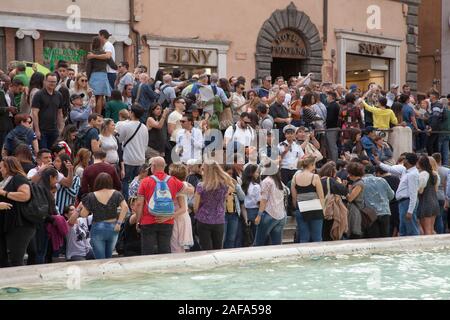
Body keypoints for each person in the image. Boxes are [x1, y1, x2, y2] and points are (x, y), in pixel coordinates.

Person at [135, 157, 188, 255]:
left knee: (148, 251)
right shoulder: (173, 180)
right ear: (164, 167)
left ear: (153, 166)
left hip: (148, 220)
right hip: (167, 220)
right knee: (165, 250)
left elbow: (139, 204)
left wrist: (138, 221)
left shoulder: (145, 181)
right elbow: (189, 191)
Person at [80, 173, 129, 259]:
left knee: (100, 259)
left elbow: (83, 215)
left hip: (97, 228)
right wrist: (119, 223)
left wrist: (82, 206)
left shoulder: (91, 196)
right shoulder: (116, 194)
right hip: (113, 227)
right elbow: (125, 207)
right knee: (108, 256)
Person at [193, 160, 235, 251]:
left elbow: (195, 206)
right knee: (218, 249)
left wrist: (199, 213)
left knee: (206, 249)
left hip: (203, 219)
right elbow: (233, 186)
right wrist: (224, 195)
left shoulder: (201, 186)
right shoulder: (224, 186)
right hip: (219, 220)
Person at [0, 157, 33, 267]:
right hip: (8, 225)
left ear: (8, 167)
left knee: (16, 259)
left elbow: (25, 195)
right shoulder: (5, 181)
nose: (0, 170)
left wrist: (5, 193)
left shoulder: (18, 178)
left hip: (19, 225)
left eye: (1, 167)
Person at [377, 153, 420, 236]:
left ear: (407, 161)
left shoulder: (413, 174)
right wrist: (378, 162)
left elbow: (413, 194)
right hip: (403, 202)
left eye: (405, 159)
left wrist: (410, 211)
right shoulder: (405, 170)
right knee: (403, 228)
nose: (403, 161)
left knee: (411, 228)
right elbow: (389, 169)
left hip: (407, 202)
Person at [116, 104, 149, 201]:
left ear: (132, 113)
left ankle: (127, 202)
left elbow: (120, 139)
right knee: (138, 181)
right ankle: (138, 201)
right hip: (140, 158)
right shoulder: (144, 127)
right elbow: (146, 144)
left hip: (128, 158)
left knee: (125, 181)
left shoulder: (126, 125)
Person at [291, 156, 325, 243]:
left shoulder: (295, 177)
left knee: (303, 238)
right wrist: (323, 210)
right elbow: (321, 196)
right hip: (315, 209)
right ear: (311, 164)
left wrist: (297, 207)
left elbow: (294, 197)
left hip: (301, 208)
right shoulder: (315, 177)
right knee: (317, 238)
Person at [254, 159, 287, 246]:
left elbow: (263, 200)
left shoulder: (266, 181)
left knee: (258, 243)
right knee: (277, 245)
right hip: (281, 215)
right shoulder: (279, 181)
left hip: (269, 214)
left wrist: (259, 215)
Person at [31, 73, 64, 149]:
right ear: (45, 81)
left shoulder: (59, 95)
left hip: (54, 130)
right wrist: (37, 130)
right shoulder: (38, 95)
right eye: (50, 81)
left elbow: (60, 113)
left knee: (54, 151)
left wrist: (61, 128)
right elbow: (34, 113)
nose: (52, 83)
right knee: (44, 151)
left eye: (54, 82)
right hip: (42, 130)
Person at [362, 165, 395, 238]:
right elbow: (391, 196)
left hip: (370, 214)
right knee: (385, 237)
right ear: (374, 173)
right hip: (384, 212)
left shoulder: (361, 182)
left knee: (373, 238)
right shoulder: (382, 180)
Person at [319, 162, 348, 241]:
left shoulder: (318, 179)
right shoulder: (330, 180)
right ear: (331, 172)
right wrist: (341, 183)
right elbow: (344, 191)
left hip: (320, 208)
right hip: (330, 210)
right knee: (330, 231)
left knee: (323, 232)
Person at [86, 36, 116, 114]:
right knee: (100, 96)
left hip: (93, 75)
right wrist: (118, 67)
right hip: (103, 75)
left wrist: (87, 78)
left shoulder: (91, 54)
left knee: (93, 96)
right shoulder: (105, 54)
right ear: (101, 44)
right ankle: (98, 115)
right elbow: (113, 65)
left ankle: (93, 114)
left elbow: (88, 68)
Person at [169, 164, 194, 253]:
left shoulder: (179, 186)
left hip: (178, 217)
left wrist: (169, 216)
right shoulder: (184, 184)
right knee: (180, 246)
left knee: (176, 246)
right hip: (182, 217)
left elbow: (182, 208)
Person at [417, 155, 440, 235]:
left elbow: (420, 190)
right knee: (431, 228)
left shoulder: (423, 174)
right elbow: (436, 189)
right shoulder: (435, 174)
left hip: (425, 202)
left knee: (426, 229)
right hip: (434, 201)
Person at [375, 165, 401, 237]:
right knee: (397, 223)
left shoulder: (380, 181)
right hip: (397, 203)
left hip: (387, 205)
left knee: (389, 225)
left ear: (378, 173)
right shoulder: (396, 178)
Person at [346, 162, 365, 239]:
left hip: (355, 210)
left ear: (352, 173)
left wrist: (343, 189)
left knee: (354, 230)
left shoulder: (359, 184)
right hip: (353, 209)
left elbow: (350, 198)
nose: (348, 175)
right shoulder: (356, 183)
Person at [241, 164, 261, 240]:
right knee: (256, 236)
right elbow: (258, 201)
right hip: (256, 211)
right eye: (256, 172)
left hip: (246, 212)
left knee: (250, 234)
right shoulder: (256, 186)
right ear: (251, 173)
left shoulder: (244, 185)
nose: (258, 174)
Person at [432, 153, 448, 234]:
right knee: (441, 217)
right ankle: (442, 232)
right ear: (440, 160)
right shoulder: (447, 171)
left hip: (434, 196)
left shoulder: (432, 170)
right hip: (443, 196)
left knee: (436, 218)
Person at [326, 91, 341, 162]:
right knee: (331, 146)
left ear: (331, 97)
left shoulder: (332, 106)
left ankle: (334, 162)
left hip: (332, 128)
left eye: (327, 96)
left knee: (332, 146)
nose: (326, 98)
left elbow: (330, 118)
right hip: (334, 127)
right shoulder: (335, 105)